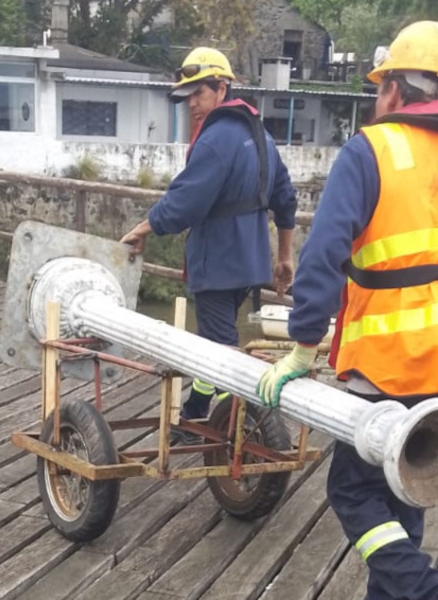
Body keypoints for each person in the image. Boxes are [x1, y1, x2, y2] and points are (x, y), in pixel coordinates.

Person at [256, 21, 438, 600]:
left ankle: (429, 593)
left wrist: (301, 347)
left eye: (378, 88)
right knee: (406, 483)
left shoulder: (371, 150)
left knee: (354, 490)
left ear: (393, 88)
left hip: (394, 359)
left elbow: (322, 257)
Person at [121, 47, 298, 443]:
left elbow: (184, 202)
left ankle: (237, 436)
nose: (193, 106)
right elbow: (286, 199)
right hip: (247, 263)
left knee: (222, 352)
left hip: (218, 263)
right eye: (187, 98)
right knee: (212, 340)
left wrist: (142, 228)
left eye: (198, 94)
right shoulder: (261, 136)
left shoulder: (216, 139)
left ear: (222, 88)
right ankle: (195, 414)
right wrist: (284, 256)